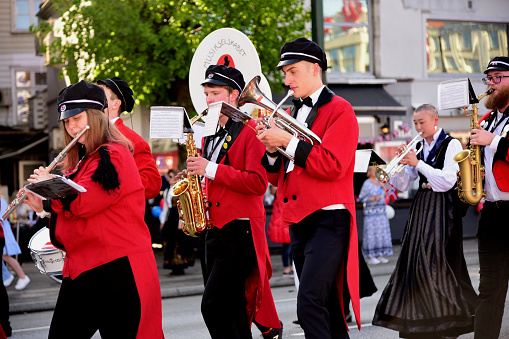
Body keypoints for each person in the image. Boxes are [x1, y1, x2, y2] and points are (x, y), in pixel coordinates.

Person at [23, 80, 164, 338]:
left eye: (76, 118)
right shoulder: (85, 160)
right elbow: (79, 209)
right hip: (84, 269)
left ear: (96, 117)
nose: (71, 126)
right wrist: (43, 204)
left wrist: (50, 187)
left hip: (117, 269)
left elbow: (85, 202)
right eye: (66, 121)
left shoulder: (114, 154)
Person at [256, 37, 360, 339]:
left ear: (315, 69)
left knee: (309, 305)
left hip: (330, 218)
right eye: (285, 73)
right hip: (300, 220)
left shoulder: (341, 109)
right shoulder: (290, 113)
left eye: (293, 71)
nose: (287, 80)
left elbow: (333, 166)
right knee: (326, 305)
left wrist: (286, 140)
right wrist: (272, 151)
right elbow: (279, 178)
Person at [182, 64, 282, 338]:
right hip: (214, 229)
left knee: (213, 306)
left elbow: (257, 183)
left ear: (234, 95)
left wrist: (209, 169)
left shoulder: (251, 130)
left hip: (241, 229)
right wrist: (196, 180)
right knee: (235, 309)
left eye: (215, 93)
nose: (209, 99)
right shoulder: (212, 132)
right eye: (207, 94)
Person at [372, 104, 477, 338]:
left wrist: (418, 163)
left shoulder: (451, 144)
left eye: (422, 122)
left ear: (435, 120)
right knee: (414, 263)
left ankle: (447, 320)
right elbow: (402, 185)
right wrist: (398, 165)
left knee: (436, 264)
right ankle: (422, 320)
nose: (418, 127)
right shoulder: (418, 146)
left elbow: (447, 181)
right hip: (421, 208)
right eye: (415, 123)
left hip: (442, 210)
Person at [469, 56, 509, 339]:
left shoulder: (491, 130)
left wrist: (492, 141)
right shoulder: (487, 119)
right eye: (488, 78)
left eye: (497, 77)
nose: (491, 83)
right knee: (489, 289)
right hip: (492, 212)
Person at [97, 77, 161, 200]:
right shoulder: (89, 135)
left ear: (116, 104)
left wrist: (110, 181)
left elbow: (151, 185)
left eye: (100, 96)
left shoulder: (133, 140)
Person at [358, 166, 393, 265]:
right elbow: (361, 197)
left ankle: (380, 254)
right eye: (373, 170)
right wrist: (371, 199)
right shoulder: (367, 183)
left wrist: (383, 187)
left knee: (381, 234)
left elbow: (388, 193)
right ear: (369, 172)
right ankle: (371, 256)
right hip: (371, 213)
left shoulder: (380, 182)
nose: (375, 172)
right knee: (372, 234)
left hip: (381, 212)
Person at [1, 195, 30, 290]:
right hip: (3, 231)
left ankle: (21, 276)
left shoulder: (1, 200)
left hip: (3, 232)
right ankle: (7, 276)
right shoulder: (2, 200)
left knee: (5, 256)